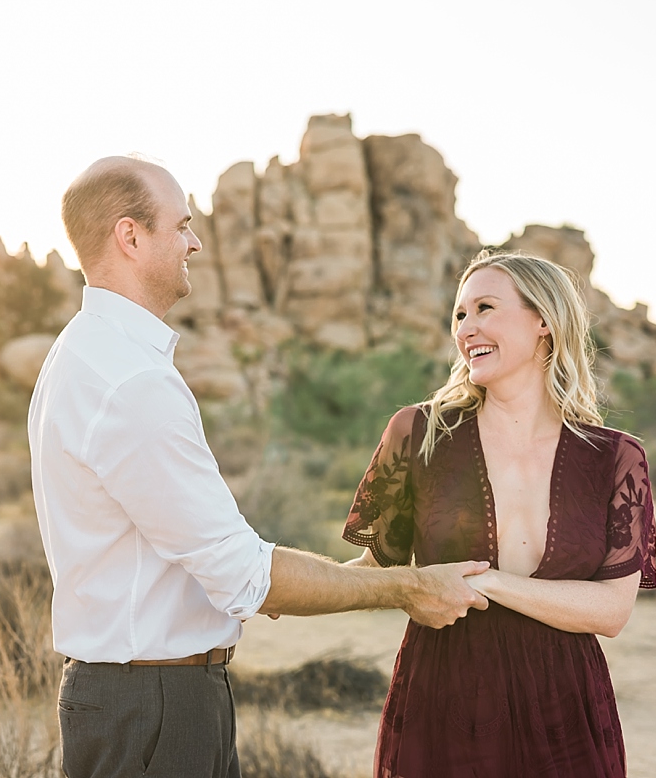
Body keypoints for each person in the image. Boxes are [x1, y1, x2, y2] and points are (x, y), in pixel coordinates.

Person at [28, 155, 490, 778]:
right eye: (181, 225)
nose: (195, 241)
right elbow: (246, 576)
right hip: (156, 712)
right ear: (130, 236)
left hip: (132, 701)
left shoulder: (82, 354)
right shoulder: (131, 382)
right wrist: (408, 586)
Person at [342, 249, 656, 777]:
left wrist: (482, 585)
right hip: (442, 695)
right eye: (460, 314)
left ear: (544, 323)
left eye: (485, 307)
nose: (466, 328)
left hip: (567, 711)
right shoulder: (417, 435)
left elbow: (611, 611)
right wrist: (273, 583)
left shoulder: (617, 459)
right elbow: (379, 570)